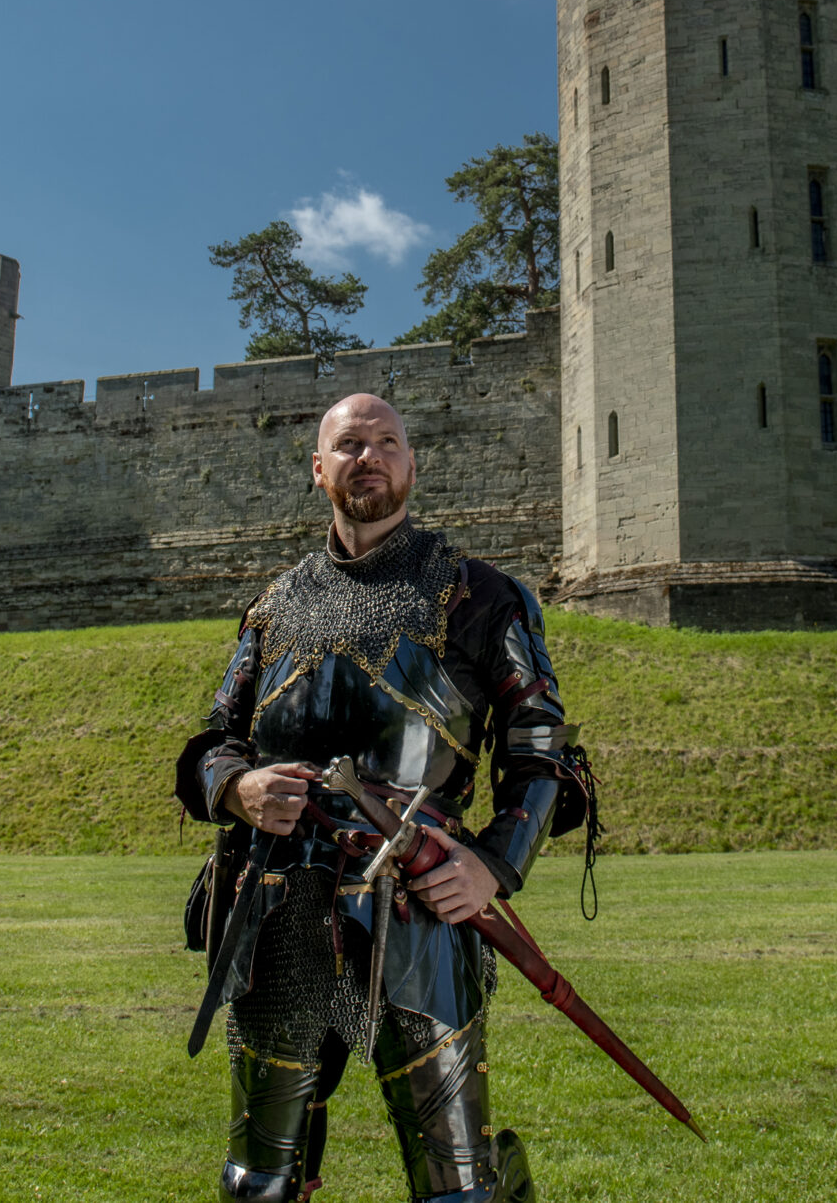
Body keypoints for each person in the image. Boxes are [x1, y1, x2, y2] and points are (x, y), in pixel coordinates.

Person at [176, 392, 588, 1203]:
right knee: (254, 1186)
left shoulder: (479, 597)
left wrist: (493, 864)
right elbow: (213, 745)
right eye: (351, 444)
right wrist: (239, 787)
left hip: (418, 914)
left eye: (388, 443)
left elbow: (542, 753)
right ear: (319, 469)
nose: (370, 457)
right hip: (277, 916)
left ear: (411, 464)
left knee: (454, 1191)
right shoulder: (272, 608)